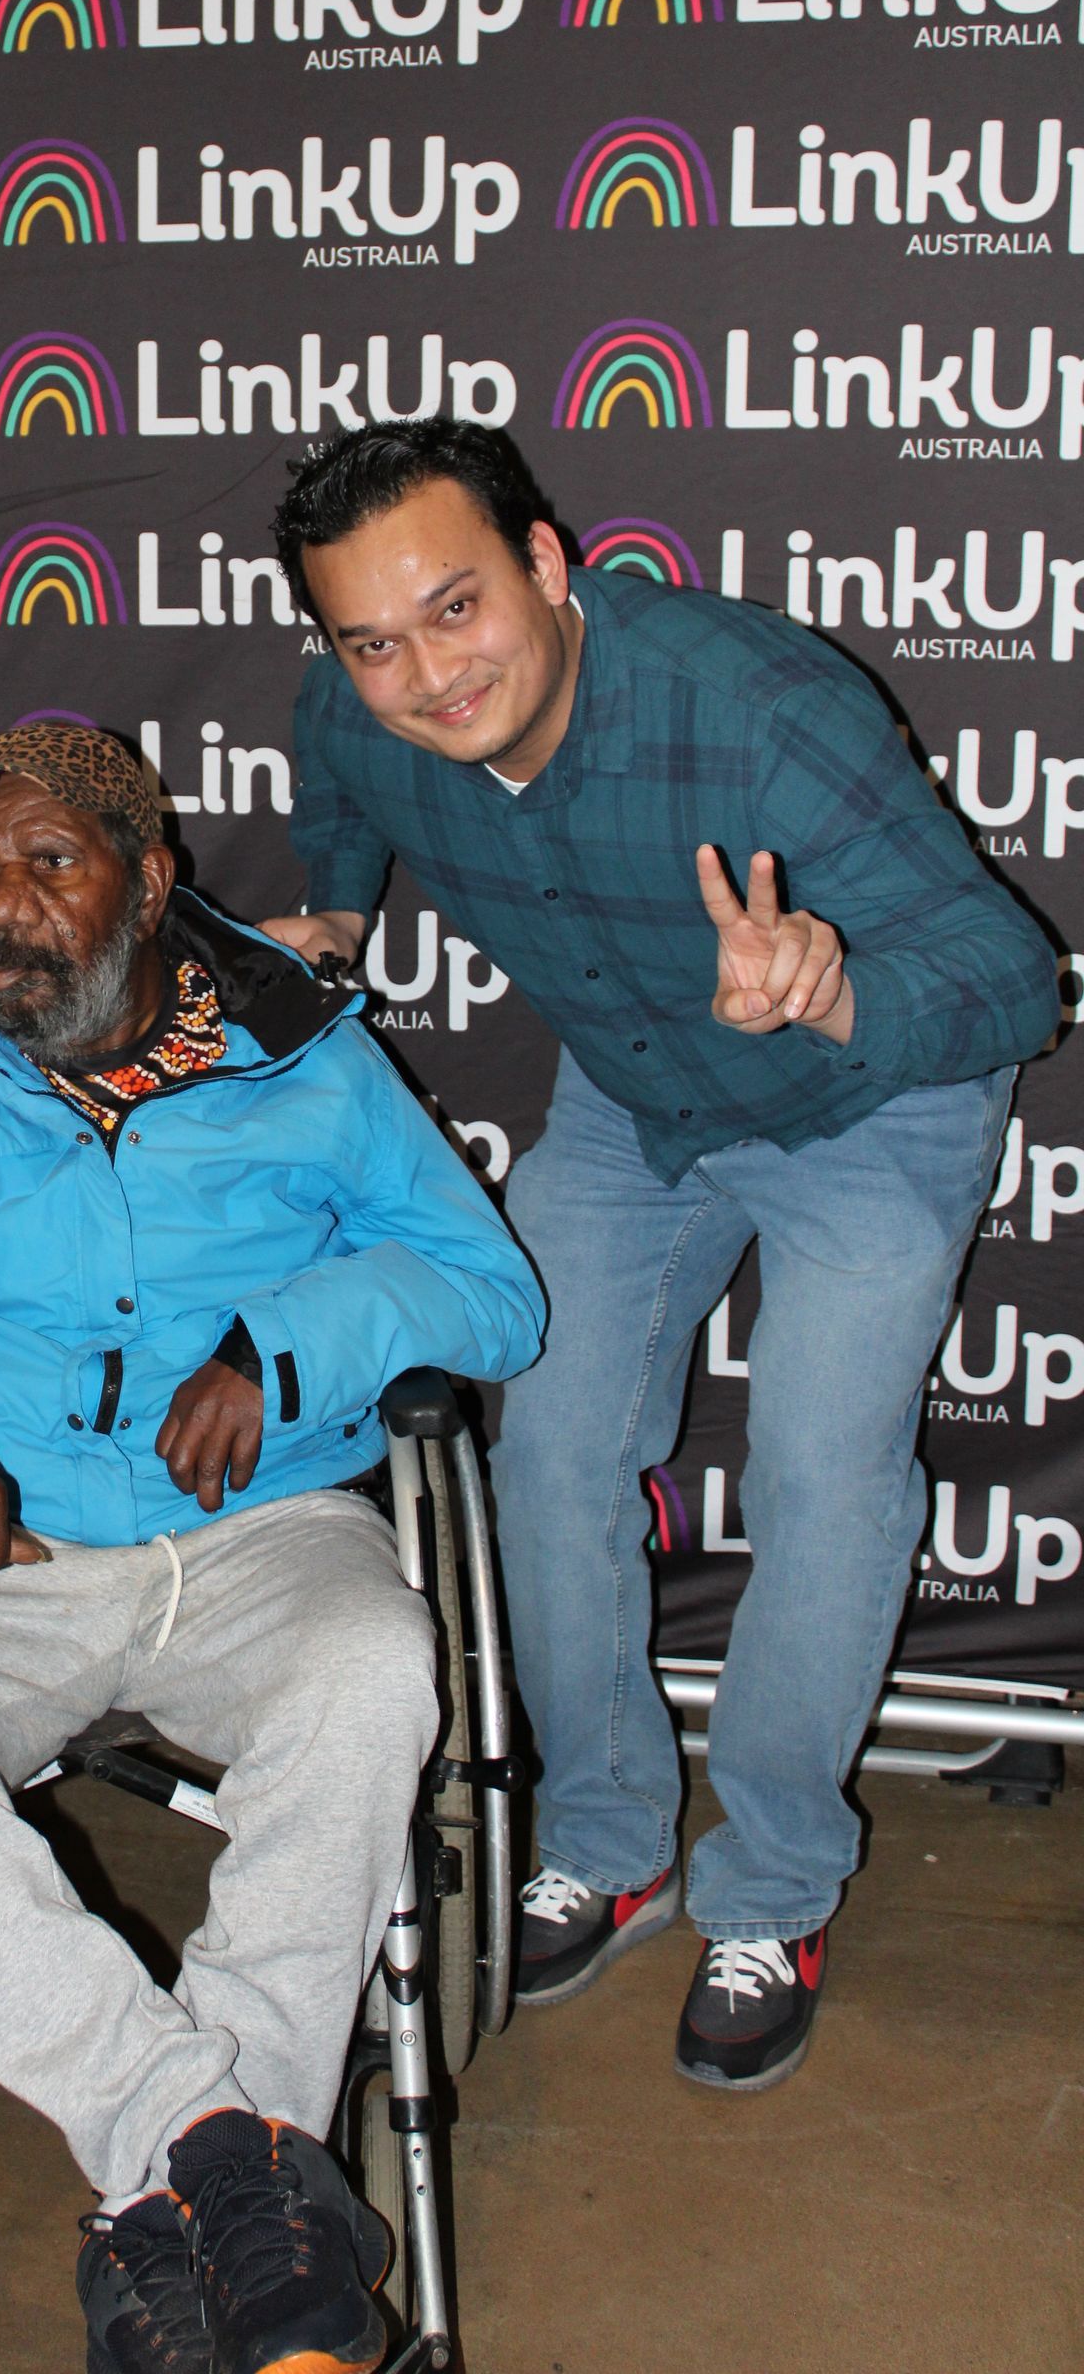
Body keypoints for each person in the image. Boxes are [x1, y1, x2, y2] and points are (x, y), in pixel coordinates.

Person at [0, 724, 543, 2374]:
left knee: (379, 1672)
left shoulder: (303, 1054)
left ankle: (183, 2214)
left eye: (48, 866)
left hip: (253, 1534)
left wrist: (282, 1343)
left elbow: (487, 1290)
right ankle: (221, 2170)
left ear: (152, 885)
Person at [261, 416, 1058, 2095]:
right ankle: (610, 1837)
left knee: (828, 1471)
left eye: (458, 609)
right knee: (543, 1452)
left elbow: (1010, 976)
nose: (426, 673)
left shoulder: (755, 708)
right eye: (376, 640)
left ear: (551, 568)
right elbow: (337, 770)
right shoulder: (359, 701)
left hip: (872, 1091)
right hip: (641, 1098)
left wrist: (836, 983)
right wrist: (335, 912)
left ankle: (770, 1887)